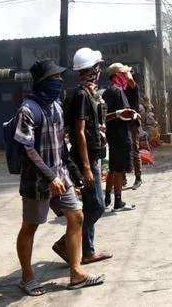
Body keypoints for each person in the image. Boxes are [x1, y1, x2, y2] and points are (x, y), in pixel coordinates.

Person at [14, 59, 104, 296]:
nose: (60, 82)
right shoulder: (27, 110)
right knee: (30, 226)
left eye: (60, 78)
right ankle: (27, 277)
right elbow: (26, 148)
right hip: (37, 179)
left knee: (77, 217)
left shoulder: (56, 106)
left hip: (61, 175)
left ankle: (76, 273)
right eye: (55, 78)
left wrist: (73, 172)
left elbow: (61, 145)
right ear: (43, 82)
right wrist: (49, 175)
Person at [53, 48, 113, 266]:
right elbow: (79, 132)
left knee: (91, 205)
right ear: (92, 69)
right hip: (84, 159)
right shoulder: (80, 95)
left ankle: (88, 252)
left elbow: (90, 129)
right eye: (98, 66)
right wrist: (87, 167)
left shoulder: (87, 93)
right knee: (96, 206)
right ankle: (64, 243)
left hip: (92, 156)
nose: (99, 70)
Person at [102, 63, 137, 211]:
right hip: (121, 135)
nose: (126, 77)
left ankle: (107, 198)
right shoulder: (118, 92)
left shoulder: (106, 92)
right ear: (117, 76)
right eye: (124, 74)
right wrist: (132, 115)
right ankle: (118, 201)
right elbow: (125, 113)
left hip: (112, 133)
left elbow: (104, 116)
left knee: (112, 168)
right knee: (118, 170)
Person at [124, 68, 143, 190]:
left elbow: (130, 79)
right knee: (124, 151)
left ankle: (138, 178)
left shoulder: (134, 88)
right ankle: (123, 177)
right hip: (123, 124)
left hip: (132, 123)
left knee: (134, 151)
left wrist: (124, 70)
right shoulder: (121, 89)